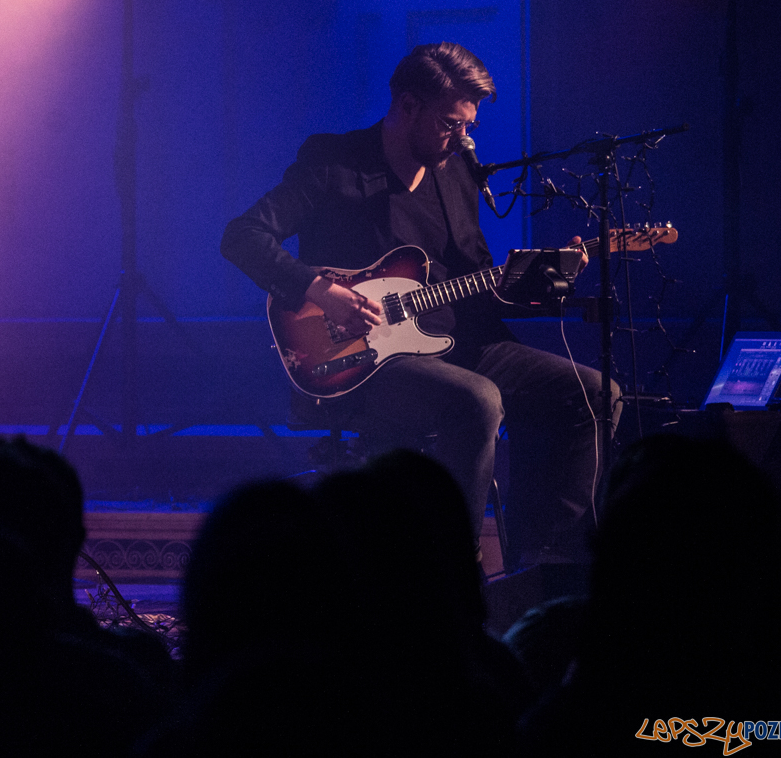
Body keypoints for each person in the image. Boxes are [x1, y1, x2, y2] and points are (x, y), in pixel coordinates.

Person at [220, 42, 618, 567]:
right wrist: (320, 290)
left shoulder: (455, 174)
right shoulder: (333, 163)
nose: (464, 138)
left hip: (457, 341)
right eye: (451, 124)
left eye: (469, 125)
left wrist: (542, 280)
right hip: (361, 359)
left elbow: (479, 280)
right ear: (408, 106)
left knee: (595, 393)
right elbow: (242, 236)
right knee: (478, 400)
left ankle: (548, 562)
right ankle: (455, 566)